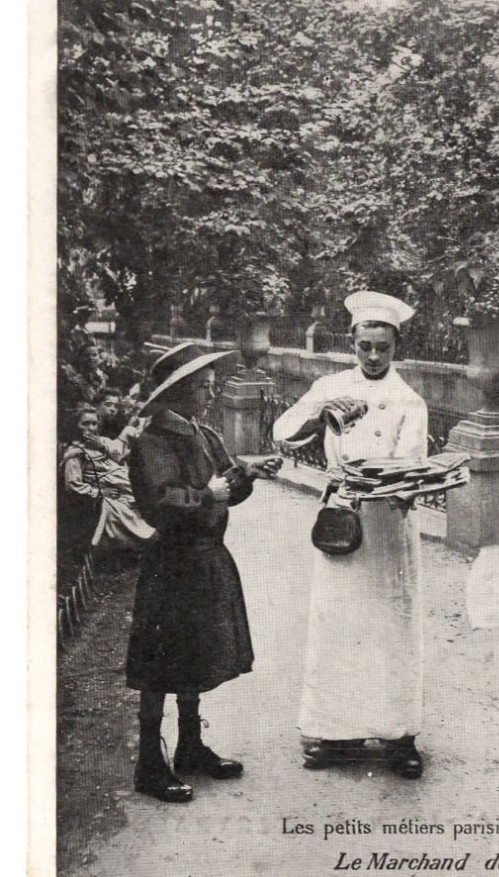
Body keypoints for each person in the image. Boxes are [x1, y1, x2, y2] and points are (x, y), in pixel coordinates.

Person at [273, 291, 428, 779]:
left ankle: (399, 734)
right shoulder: (331, 385)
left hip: (388, 528)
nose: (375, 357)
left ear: (395, 345)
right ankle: (334, 732)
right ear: (352, 343)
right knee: (338, 624)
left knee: (390, 626)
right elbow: (281, 433)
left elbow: (414, 467)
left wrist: (405, 485)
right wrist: (320, 415)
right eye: (366, 347)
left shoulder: (410, 400)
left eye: (383, 347)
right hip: (344, 520)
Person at [126, 343, 281, 803]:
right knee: (159, 664)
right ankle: (150, 766)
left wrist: (249, 475)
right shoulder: (154, 441)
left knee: (195, 655)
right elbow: (160, 503)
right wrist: (206, 494)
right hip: (172, 565)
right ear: (180, 392)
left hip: (205, 559)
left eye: (211, 386)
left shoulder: (203, 433)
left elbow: (226, 490)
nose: (211, 394)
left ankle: (190, 746)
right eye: (204, 387)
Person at [61, 405, 156, 550]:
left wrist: (102, 446)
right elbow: (73, 485)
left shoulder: (101, 442)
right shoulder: (75, 453)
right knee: (135, 516)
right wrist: (99, 492)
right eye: (85, 424)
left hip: (126, 481)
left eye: (94, 423)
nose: (91, 428)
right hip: (114, 491)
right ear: (75, 426)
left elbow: (118, 455)